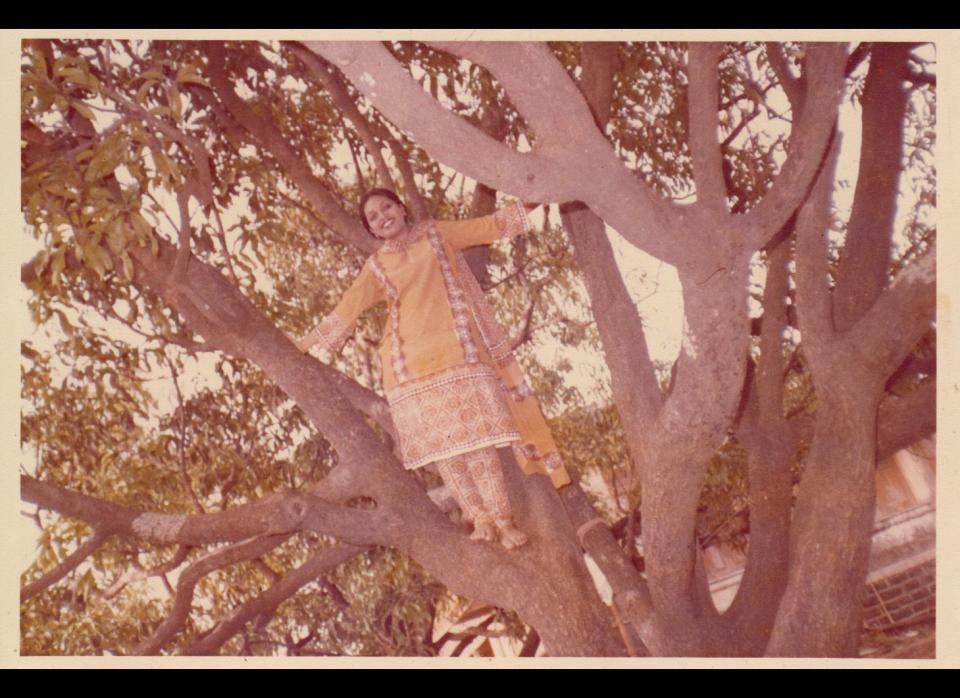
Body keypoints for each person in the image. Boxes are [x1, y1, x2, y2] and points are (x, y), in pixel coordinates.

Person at [295, 188, 571, 549]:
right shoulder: (377, 266)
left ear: (401, 208)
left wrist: (535, 194)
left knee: (479, 444)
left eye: (386, 208)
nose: (382, 217)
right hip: (408, 367)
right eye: (373, 218)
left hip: (461, 353)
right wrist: (304, 344)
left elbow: (489, 226)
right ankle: (481, 521)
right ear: (373, 231)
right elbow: (348, 307)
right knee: (447, 452)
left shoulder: (437, 234)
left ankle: (505, 523)